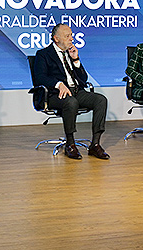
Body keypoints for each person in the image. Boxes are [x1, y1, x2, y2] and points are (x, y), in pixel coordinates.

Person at [34, 24, 110, 160]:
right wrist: (58, 84)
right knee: (71, 102)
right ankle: (70, 144)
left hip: (76, 91)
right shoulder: (43, 54)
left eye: (71, 35)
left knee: (100, 100)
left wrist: (75, 59)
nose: (71, 39)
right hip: (55, 95)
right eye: (67, 36)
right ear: (56, 38)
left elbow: (83, 79)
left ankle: (95, 144)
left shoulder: (70, 52)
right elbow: (40, 77)